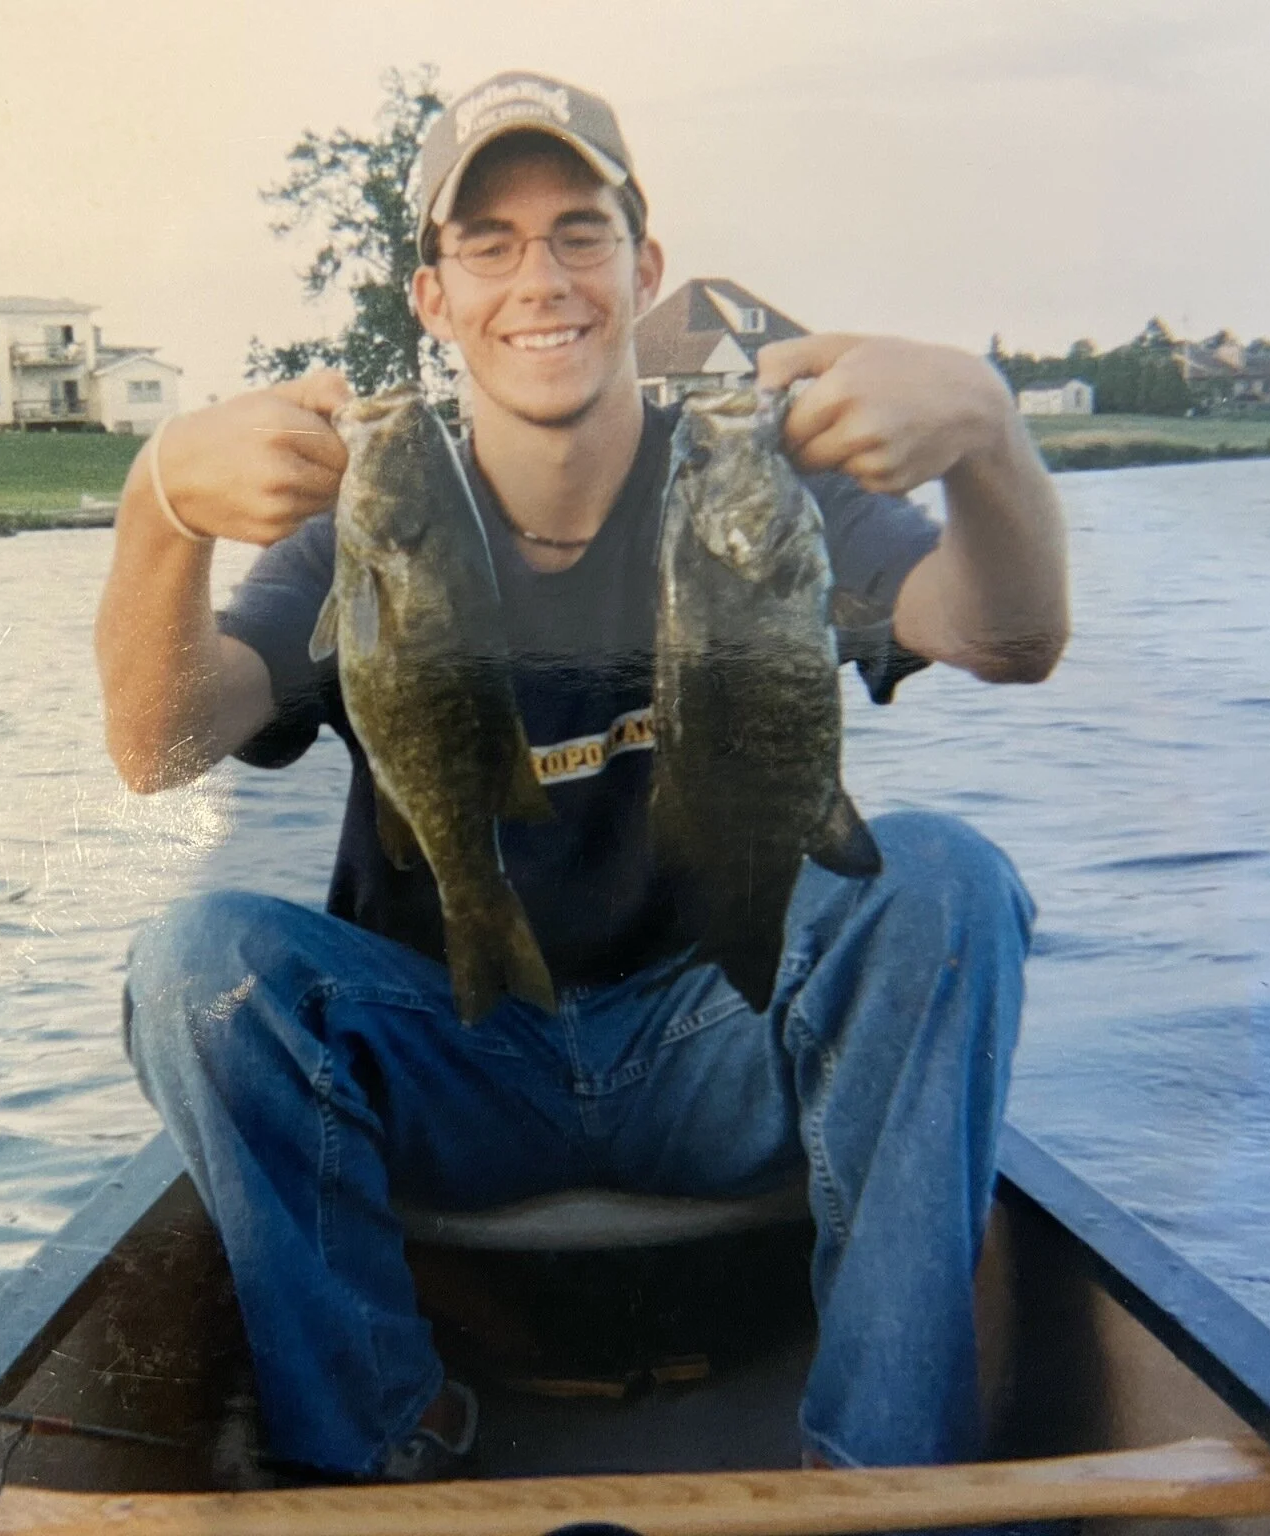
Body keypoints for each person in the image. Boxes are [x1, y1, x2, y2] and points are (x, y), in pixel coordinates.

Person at [96, 71, 1070, 1484]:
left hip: (724, 1036)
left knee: (947, 883)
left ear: (644, 266)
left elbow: (1009, 636)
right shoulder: (387, 513)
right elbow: (153, 747)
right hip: (452, 1057)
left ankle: (882, 1476)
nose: (536, 277)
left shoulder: (754, 481)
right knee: (196, 962)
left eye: (579, 231)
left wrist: (988, 433)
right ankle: (377, 1443)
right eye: (487, 243)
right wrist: (158, 503)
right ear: (433, 298)